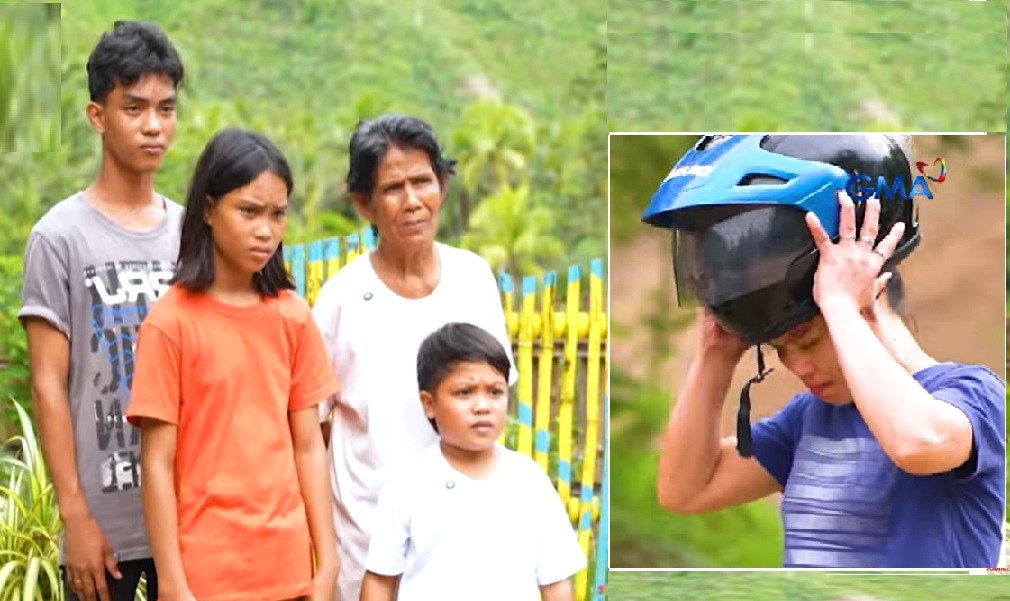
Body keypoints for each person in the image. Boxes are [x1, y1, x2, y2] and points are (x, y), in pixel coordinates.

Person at [642, 134, 1006, 568]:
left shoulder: (973, 393)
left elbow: (918, 443)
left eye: (810, 340)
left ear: (873, 293)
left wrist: (839, 304)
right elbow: (686, 490)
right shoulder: (808, 419)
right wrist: (715, 355)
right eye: (780, 349)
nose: (798, 366)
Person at [125, 128, 339, 601]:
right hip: (206, 578)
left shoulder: (293, 316)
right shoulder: (170, 323)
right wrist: (174, 583)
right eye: (249, 211)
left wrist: (326, 562)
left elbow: (309, 447)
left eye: (278, 214)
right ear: (207, 208)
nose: (265, 230)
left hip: (288, 572)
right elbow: (157, 463)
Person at [311, 113, 518, 601]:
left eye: (422, 181)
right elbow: (314, 430)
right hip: (366, 553)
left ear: (442, 186)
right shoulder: (342, 300)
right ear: (365, 204)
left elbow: (495, 399)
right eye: (392, 188)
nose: (412, 201)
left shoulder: (473, 279)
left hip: (463, 550)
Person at [18, 20, 184, 601]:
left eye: (166, 109)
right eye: (133, 108)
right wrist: (75, 518)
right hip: (104, 527)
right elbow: (47, 383)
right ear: (98, 116)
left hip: (188, 518)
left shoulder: (193, 234)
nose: (153, 126)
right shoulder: (59, 237)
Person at [360, 322, 585, 601]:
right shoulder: (408, 482)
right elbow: (380, 579)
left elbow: (556, 582)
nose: (482, 406)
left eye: (495, 392)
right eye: (465, 393)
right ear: (429, 404)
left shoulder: (529, 480)